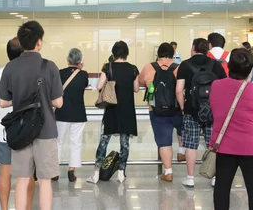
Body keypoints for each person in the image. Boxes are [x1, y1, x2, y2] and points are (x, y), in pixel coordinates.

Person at [0, 21, 63, 210]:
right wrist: (42, 100)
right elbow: (58, 102)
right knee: (44, 181)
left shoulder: (10, 67)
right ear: (39, 42)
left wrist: (20, 100)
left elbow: (2, 102)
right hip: (46, 129)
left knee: (22, 180)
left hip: (21, 129)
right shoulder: (49, 67)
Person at [210, 48, 253, 210]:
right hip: (252, 147)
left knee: (222, 186)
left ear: (228, 66)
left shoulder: (216, 86)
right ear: (250, 69)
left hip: (224, 146)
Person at [0, 37, 35, 210]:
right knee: (28, 175)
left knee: (4, 173)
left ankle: (5, 208)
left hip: (3, 131)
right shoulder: (32, 73)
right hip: (28, 132)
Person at [176, 38, 227, 188]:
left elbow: (179, 90)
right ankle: (215, 177)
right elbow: (224, 87)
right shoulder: (216, 65)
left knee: (191, 144)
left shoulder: (185, 65)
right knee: (213, 144)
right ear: (207, 49)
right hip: (213, 111)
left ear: (193, 48)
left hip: (191, 110)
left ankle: (190, 178)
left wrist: (183, 108)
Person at [87, 41, 139, 184]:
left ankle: (96, 174)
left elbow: (99, 86)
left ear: (113, 53)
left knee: (104, 141)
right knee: (125, 143)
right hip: (127, 110)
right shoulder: (133, 69)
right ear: (126, 53)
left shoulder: (108, 67)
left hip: (111, 109)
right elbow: (136, 88)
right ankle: (121, 173)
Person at [139, 43, 183, 182]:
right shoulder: (178, 68)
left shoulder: (148, 67)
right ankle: (181, 151)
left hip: (156, 110)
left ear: (158, 54)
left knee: (164, 141)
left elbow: (140, 82)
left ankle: (168, 172)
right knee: (182, 129)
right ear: (172, 54)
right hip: (176, 109)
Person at [55, 48, 89, 182]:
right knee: (75, 143)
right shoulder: (83, 74)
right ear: (80, 61)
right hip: (78, 113)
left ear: (67, 59)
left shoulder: (59, 73)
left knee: (58, 142)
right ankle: (71, 171)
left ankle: (55, 171)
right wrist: (80, 68)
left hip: (61, 113)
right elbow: (84, 85)